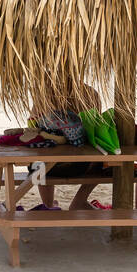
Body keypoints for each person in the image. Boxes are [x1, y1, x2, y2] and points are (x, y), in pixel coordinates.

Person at [35, 83, 109, 212]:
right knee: (106, 157)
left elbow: (33, 129)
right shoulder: (90, 93)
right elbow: (95, 131)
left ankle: (47, 205)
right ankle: (79, 201)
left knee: (39, 155)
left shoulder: (44, 94)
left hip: (46, 169)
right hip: (82, 166)